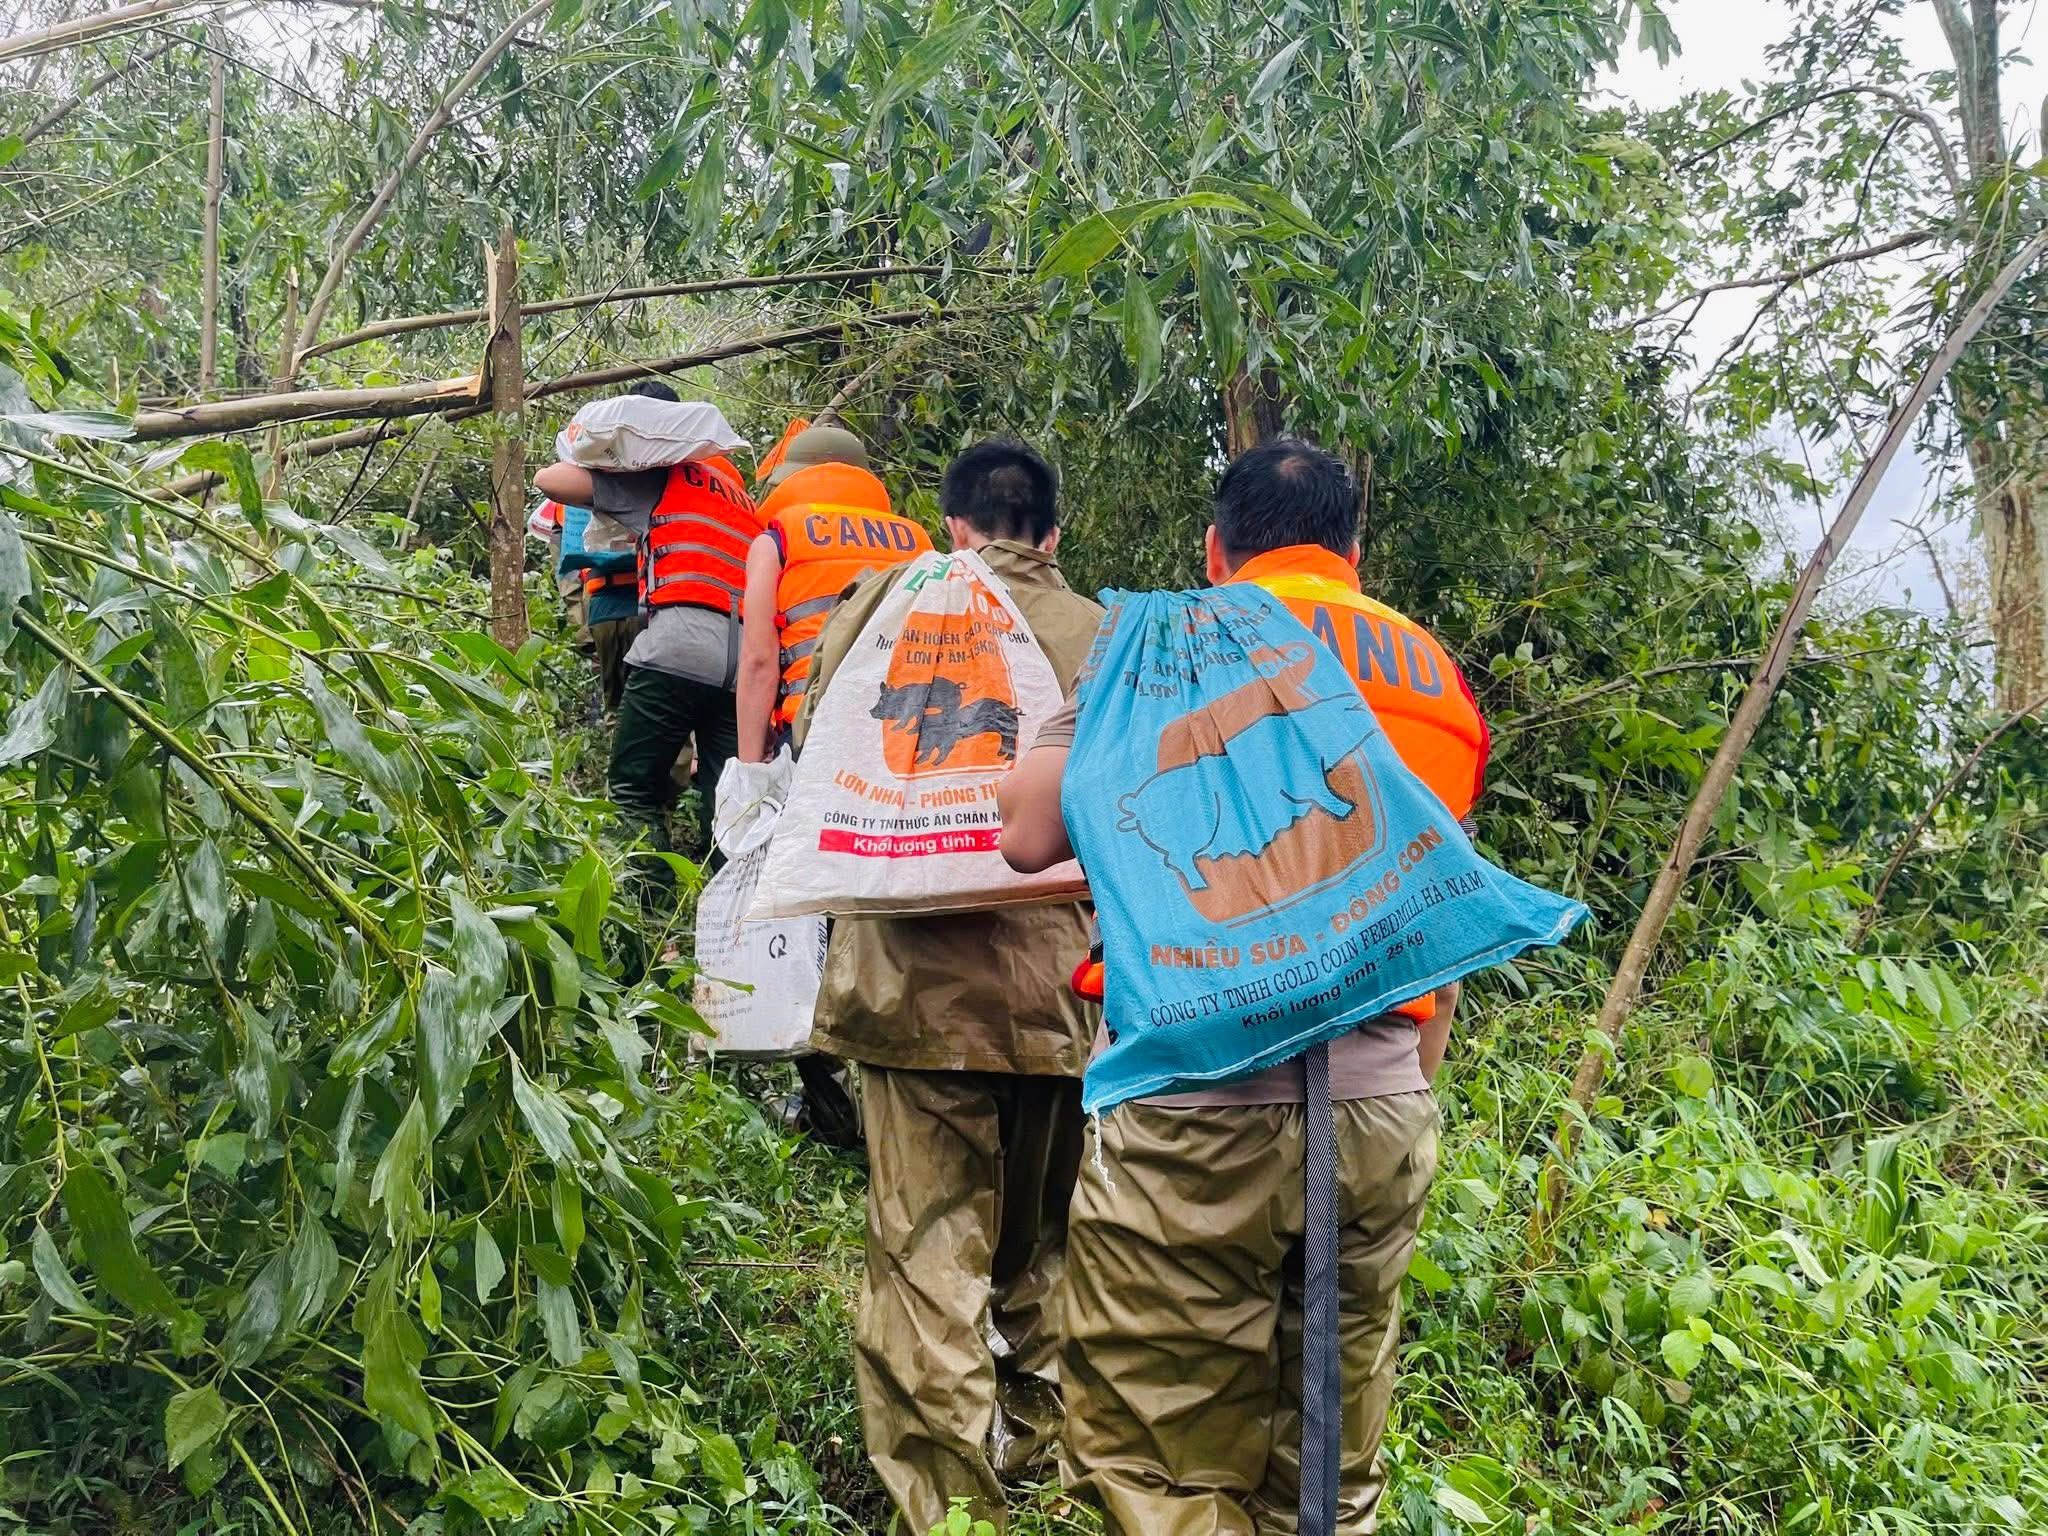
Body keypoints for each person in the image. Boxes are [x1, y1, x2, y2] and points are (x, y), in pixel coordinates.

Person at [998, 437, 1489, 1535]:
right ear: (1353, 553)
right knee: (1325, 1474)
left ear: (1215, 551)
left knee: (1159, 1471)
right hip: (1380, 1105)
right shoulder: (1431, 673)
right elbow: (1437, 909)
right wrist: (1405, 1087)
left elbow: (1026, 834)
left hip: (1193, 1110)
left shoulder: (1159, 647)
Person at [793, 440, 1102, 1534]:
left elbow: (816, 741)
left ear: (951, 528)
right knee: (1045, 1252)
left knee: (929, 1261)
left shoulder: (883, 609)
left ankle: (950, 1513)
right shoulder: (1104, 636)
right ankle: (1043, 1461)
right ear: (1052, 536)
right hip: (1063, 997)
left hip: (911, 997)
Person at [534, 380, 759, 886]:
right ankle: (728, 916)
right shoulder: (735, 491)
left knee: (635, 790)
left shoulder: (662, 479)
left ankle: (649, 912)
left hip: (678, 645)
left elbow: (552, 480)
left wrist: (619, 461)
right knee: (725, 800)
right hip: (742, 663)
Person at [734, 420, 932, 763]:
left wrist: (750, 765)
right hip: (901, 730)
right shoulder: (917, 542)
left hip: (813, 726)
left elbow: (759, 661)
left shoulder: (778, 540)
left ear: (792, 479)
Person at [555, 497, 643, 711]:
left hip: (606, 608)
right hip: (636, 605)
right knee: (644, 697)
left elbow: (569, 579)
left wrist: (583, 633)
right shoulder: (650, 489)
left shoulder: (569, 496)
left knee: (616, 702)